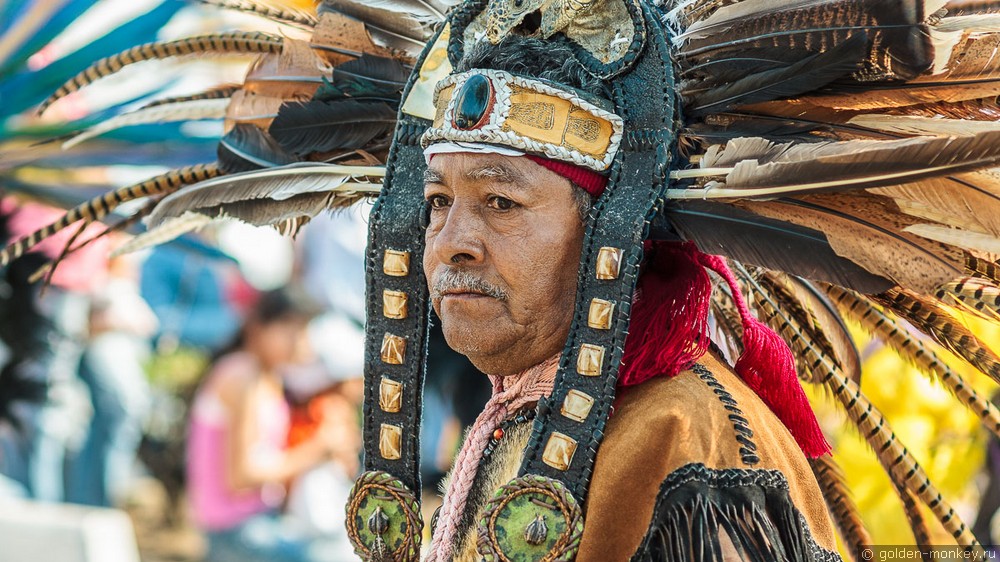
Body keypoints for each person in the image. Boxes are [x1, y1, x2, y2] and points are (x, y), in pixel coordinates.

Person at [186, 287, 345, 562]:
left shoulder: (267, 376)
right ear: (258, 327)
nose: (300, 341)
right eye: (290, 329)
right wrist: (317, 450)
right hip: (236, 530)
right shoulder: (242, 376)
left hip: (255, 521)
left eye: (305, 330)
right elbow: (243, 475)